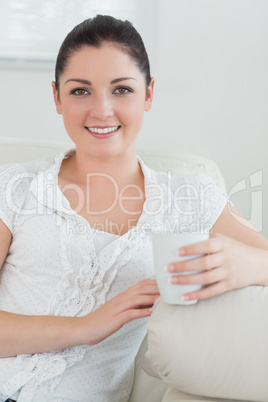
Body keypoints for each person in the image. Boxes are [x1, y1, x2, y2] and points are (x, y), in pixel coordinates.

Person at [0, 14, 267, 402]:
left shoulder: (191, 198)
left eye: (121, 90)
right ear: (57, 97)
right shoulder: (15, 187)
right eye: (80, 91)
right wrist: (87, 327)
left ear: (149, 94)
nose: (102, 110)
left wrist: (252, 263)